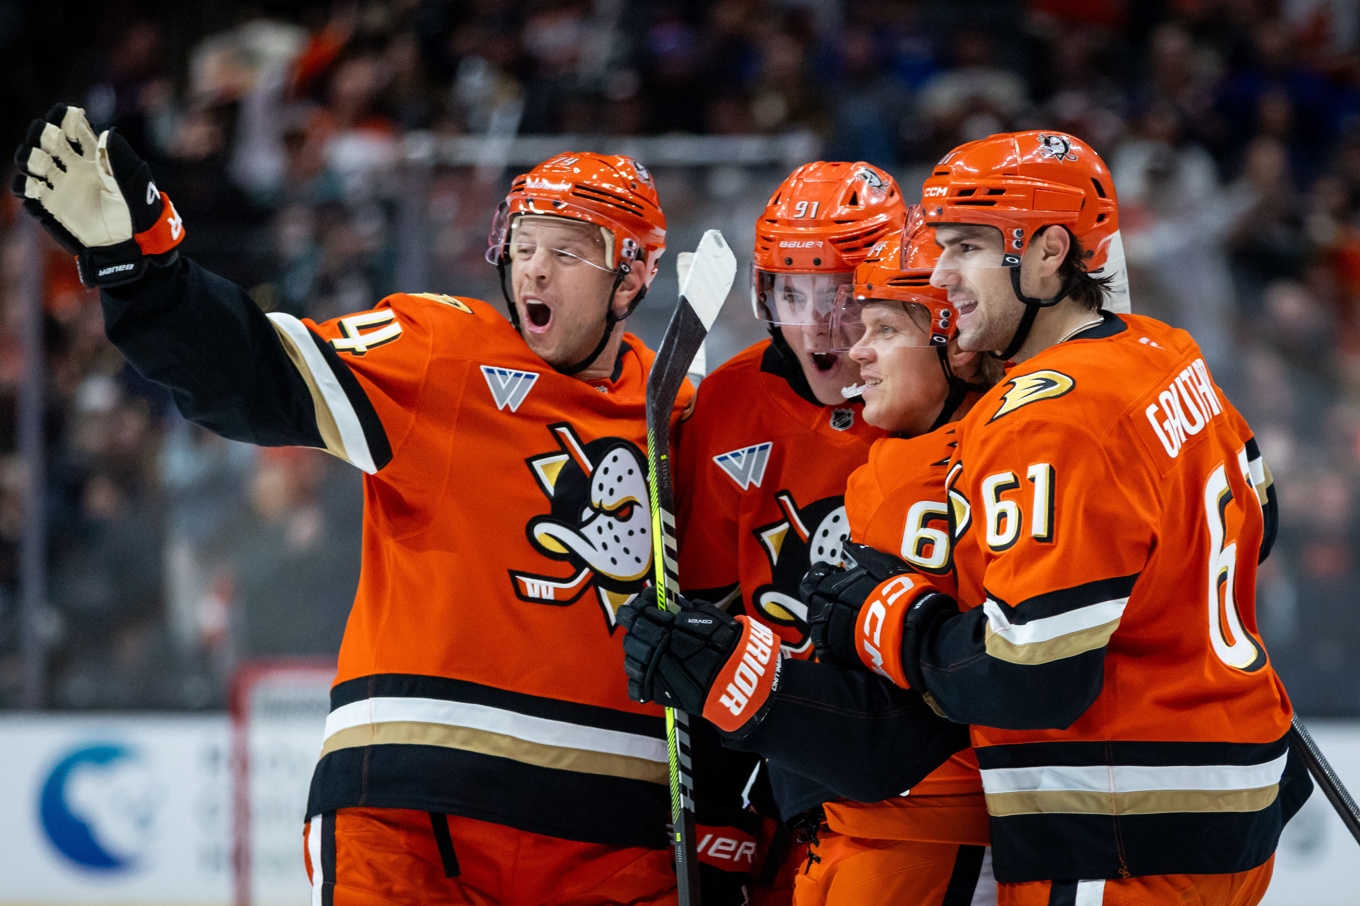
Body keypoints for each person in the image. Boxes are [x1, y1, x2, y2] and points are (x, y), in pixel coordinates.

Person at [14, 104, 690, 906]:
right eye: (524, 245)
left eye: (567, 252)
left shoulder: (685, 416)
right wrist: (145, 269)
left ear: (632, 277)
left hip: (614, 834)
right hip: (414, 810)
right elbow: (254, 375)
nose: (534, 271)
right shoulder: (443, 349)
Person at [803, 131, 1313, 905]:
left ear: (1048, 253)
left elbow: (1031, 678)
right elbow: (1260, 521)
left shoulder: (1045, 419)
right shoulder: (1163, 349)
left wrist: (888, 618)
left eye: (967, 247)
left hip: (1122, 824)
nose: (940, 275)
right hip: (1236, 789)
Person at [620, 213, 1005, 905]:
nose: (841, 339)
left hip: (927, 816)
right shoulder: (886, 459)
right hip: (831, 803)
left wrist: (739, 680)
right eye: (794, 295)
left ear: (952, 337)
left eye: (868, 317)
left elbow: (931, 708)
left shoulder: (962, 456)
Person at [671, 161, 900, 903]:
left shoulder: (946, 390)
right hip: (775, 738)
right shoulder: (730, 401)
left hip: (918, 752)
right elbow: (706, 617)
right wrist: (717, 806)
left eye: (841, 295)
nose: (817, 325)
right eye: (793, 295)